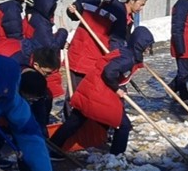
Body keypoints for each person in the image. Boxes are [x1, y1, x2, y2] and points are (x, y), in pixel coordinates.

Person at [49, 27, 155, 156]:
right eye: (147, 46)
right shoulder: (128, 58)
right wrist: (117, 89)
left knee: (75, 120)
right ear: (139, 45)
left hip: (91, 88)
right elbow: (109, 72)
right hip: (99, 93)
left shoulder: (125, 53)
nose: (148, 49)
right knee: (123, 125)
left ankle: (52, 147)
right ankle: (116, 158)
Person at [65, 0, 127, 91]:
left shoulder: (118, 10)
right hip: (77, 51)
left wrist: (112, 56)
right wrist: (72, 10)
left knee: (86, 93)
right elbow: (75, 15)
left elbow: (117, 37)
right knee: (72, 93)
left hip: (95, 57)